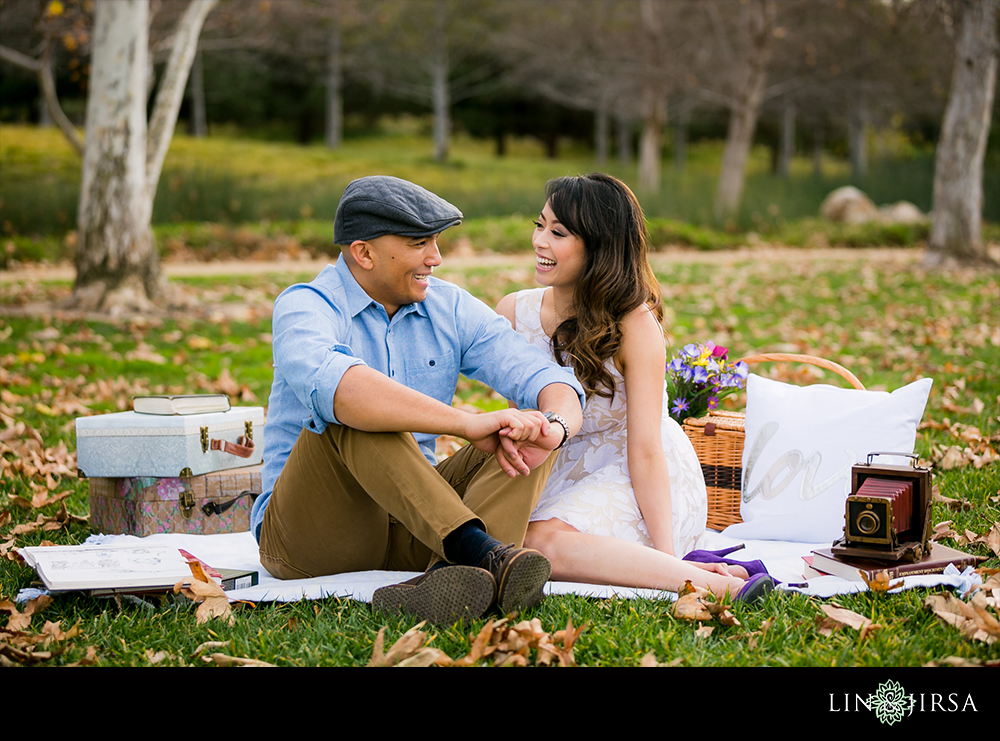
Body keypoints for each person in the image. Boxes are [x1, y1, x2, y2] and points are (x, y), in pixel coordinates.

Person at [251, 175, 585, 625]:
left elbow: (544, 376)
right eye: (418, 243)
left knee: (533, 431)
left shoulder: (447, 306)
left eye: (436, 241)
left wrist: (555, 425)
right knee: (354, 410)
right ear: (363, 252)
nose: (436, 258)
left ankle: (450, 579)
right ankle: (483, 555)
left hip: (419, 525)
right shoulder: (306, 306)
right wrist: (464, 423)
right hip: (313, 536)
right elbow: (344, 390)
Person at [496, 173, 773, 601]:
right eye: (539, 225)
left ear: (599, 245)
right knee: (497, 543)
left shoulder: (635, 325)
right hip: (553, 471)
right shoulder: (514, 312)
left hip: (636, 471)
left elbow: (645, 448)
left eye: (558, 232)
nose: (540, 242)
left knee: (538, 544)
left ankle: (715, 585)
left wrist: (670, 563)